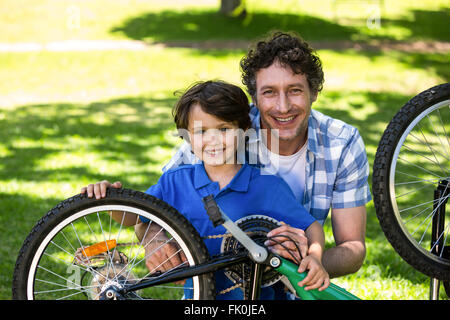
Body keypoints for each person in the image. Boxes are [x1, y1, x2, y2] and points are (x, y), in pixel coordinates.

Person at [82, 80, 329, 299]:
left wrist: (315, 257)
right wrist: (110, 199)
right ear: (188, 137)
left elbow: (311, 226)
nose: (213, 140)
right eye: (201, 132)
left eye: (223, 129)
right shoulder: (175, 182)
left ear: (243, 131)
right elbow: (133, 216)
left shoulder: (266, 185)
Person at [158, 31, 372, 279]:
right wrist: (153, 240)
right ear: (255, 98)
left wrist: (301, 260)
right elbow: (156, 203)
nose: (283, 107)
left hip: (291, 289)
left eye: (294, 90)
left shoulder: (342, 143)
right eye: (269, 92)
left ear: (313, 93)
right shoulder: (220, 131)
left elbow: (353, 248)